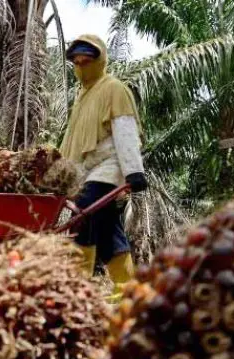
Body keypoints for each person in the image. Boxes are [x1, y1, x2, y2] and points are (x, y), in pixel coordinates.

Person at [60, 34, 147, 291]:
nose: (81, 66)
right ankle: (101, 289)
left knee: (92, 221)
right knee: (93, 228)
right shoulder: (82, 96)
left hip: (109, 168)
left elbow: (125, 130)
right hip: (85, 172)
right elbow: (72, 139)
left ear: (100, 60)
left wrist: (134, 171)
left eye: (87, 60)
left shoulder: (113, 89)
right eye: (77, 61)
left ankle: (107, 289)